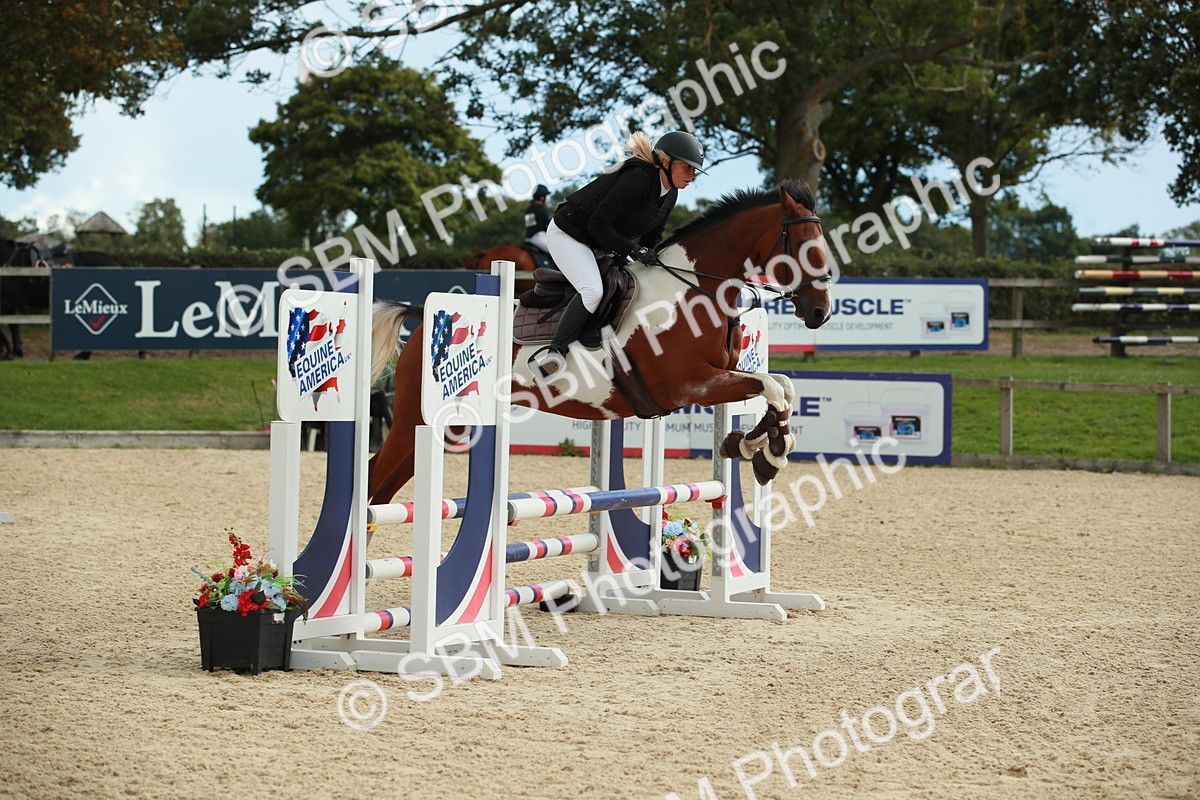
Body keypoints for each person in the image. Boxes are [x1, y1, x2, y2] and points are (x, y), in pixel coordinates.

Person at [528, 130, 705, 379]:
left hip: (599, 241)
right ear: (666, 162)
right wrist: (633, 251)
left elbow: (652, 236)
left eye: (695, 170)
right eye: (687, 167)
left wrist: (653, 258)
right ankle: (554, 354)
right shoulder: (638, 180)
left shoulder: (670, 194)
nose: (692, 175)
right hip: (569, 234)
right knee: (593, 291)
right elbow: (597, 223)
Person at [524, 184, 552, 252]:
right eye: (545, 196)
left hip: (528, 238)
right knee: (556, 251)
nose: (546, 198)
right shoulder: (542, 209)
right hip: (540, 237)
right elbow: (549, 224)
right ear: (542, 197)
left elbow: (531, 226)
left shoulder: (529, 209)